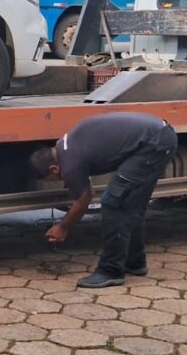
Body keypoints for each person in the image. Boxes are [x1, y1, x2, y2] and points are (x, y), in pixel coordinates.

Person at [28, 112, 178, 288]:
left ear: (53, 169)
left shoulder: (70, 164)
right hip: (158, 135)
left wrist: (63, 227)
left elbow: (84, 199)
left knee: (113, 204)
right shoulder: (64, 146)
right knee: (131, 205)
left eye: (52, 179)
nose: (58, 181)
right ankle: (135, 262)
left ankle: (111, 271)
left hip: (153, 144)